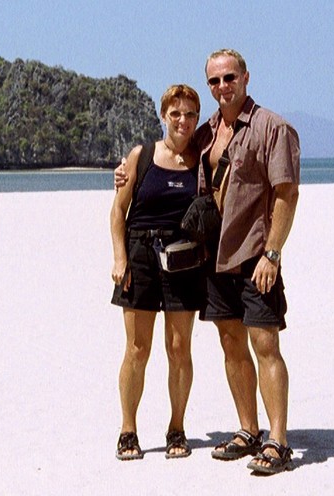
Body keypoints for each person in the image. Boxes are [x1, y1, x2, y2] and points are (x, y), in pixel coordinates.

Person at [114, 49, 300, 475]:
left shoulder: (273, 127)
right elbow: (169, 160)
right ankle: (248, 429)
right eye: (214, 81)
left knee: (265, 345)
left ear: (246, 77)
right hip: (213, 259)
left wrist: (273, 253)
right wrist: (123, 172)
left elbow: (287, 194)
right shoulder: (206, 133)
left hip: (256, 256)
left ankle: (278, 441)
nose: (222, 87)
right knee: (231, 345)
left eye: (229, 78)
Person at [111, 84, 203, 461]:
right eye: (176, 114)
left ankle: (176, 427)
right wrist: (120, 259)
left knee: (179, 348)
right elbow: (118, 211)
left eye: (190, 114)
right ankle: (128, 428)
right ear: (164, 115)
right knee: (137, 348)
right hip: (141, 255)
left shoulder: (203, 159)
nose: (183, 121)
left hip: (183, 258)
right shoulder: (142, 155)